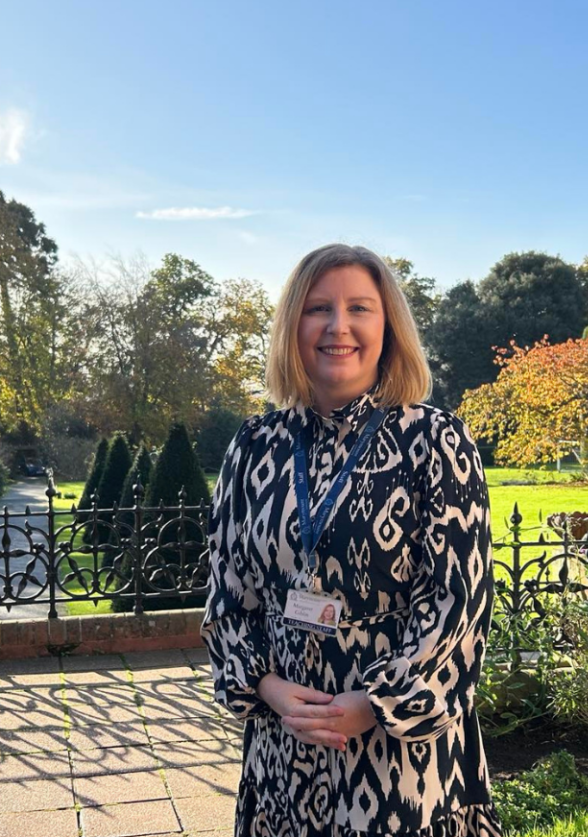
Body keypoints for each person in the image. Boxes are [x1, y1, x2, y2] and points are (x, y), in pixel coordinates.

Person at [202, 244, 499, 836]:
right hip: (283, 745)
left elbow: (457, 604)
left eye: (359, 308)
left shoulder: (434, 442)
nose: (339, 326)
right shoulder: (255, 444)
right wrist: (268, 687)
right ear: (293, 326)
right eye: (319, 309)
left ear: (387, 326)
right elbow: (227, 593)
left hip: (397, 752)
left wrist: (377, 704)